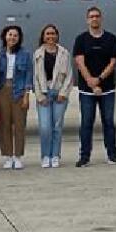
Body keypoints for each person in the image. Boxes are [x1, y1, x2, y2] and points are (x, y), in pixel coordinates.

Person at [72, 6, 116, 167]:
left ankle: (112, 155)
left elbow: (113, 62)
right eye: (91, 16)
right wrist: (91, 82)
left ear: (101, 19)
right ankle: (84, 156)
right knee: (86, 123)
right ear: (87, 19)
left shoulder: (111, 38)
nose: (94, 19)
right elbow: (79, 62)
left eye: (97, 16)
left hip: (107, 89)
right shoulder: (81, 39)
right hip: (87, 90)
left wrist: (99, 79)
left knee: (108, 122)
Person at [32, 24, 73, 168]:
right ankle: (45, 156)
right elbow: (35, 78)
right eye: (47, 34)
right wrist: (39, 96)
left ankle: (55, 155)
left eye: (53, 34)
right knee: (45, 127)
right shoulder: (37, 54)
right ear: (43, 36)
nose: (50, 36)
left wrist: (63, 93)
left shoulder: (64, 53)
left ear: (57, 35)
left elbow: (69, 75)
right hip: (44, 93)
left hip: (59, 94)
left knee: (57, 127)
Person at [0, 25, 33, 169]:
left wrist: (26, 95)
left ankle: (17, 156)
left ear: (19, 38)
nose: (12, 38)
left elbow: (28, 74)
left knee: (19, 125)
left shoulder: (25, 54)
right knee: (4, 125)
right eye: (10, 35)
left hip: (18, 91)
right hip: (2, 90)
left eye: (15, 35)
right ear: (5, 36)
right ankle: (7, 156)